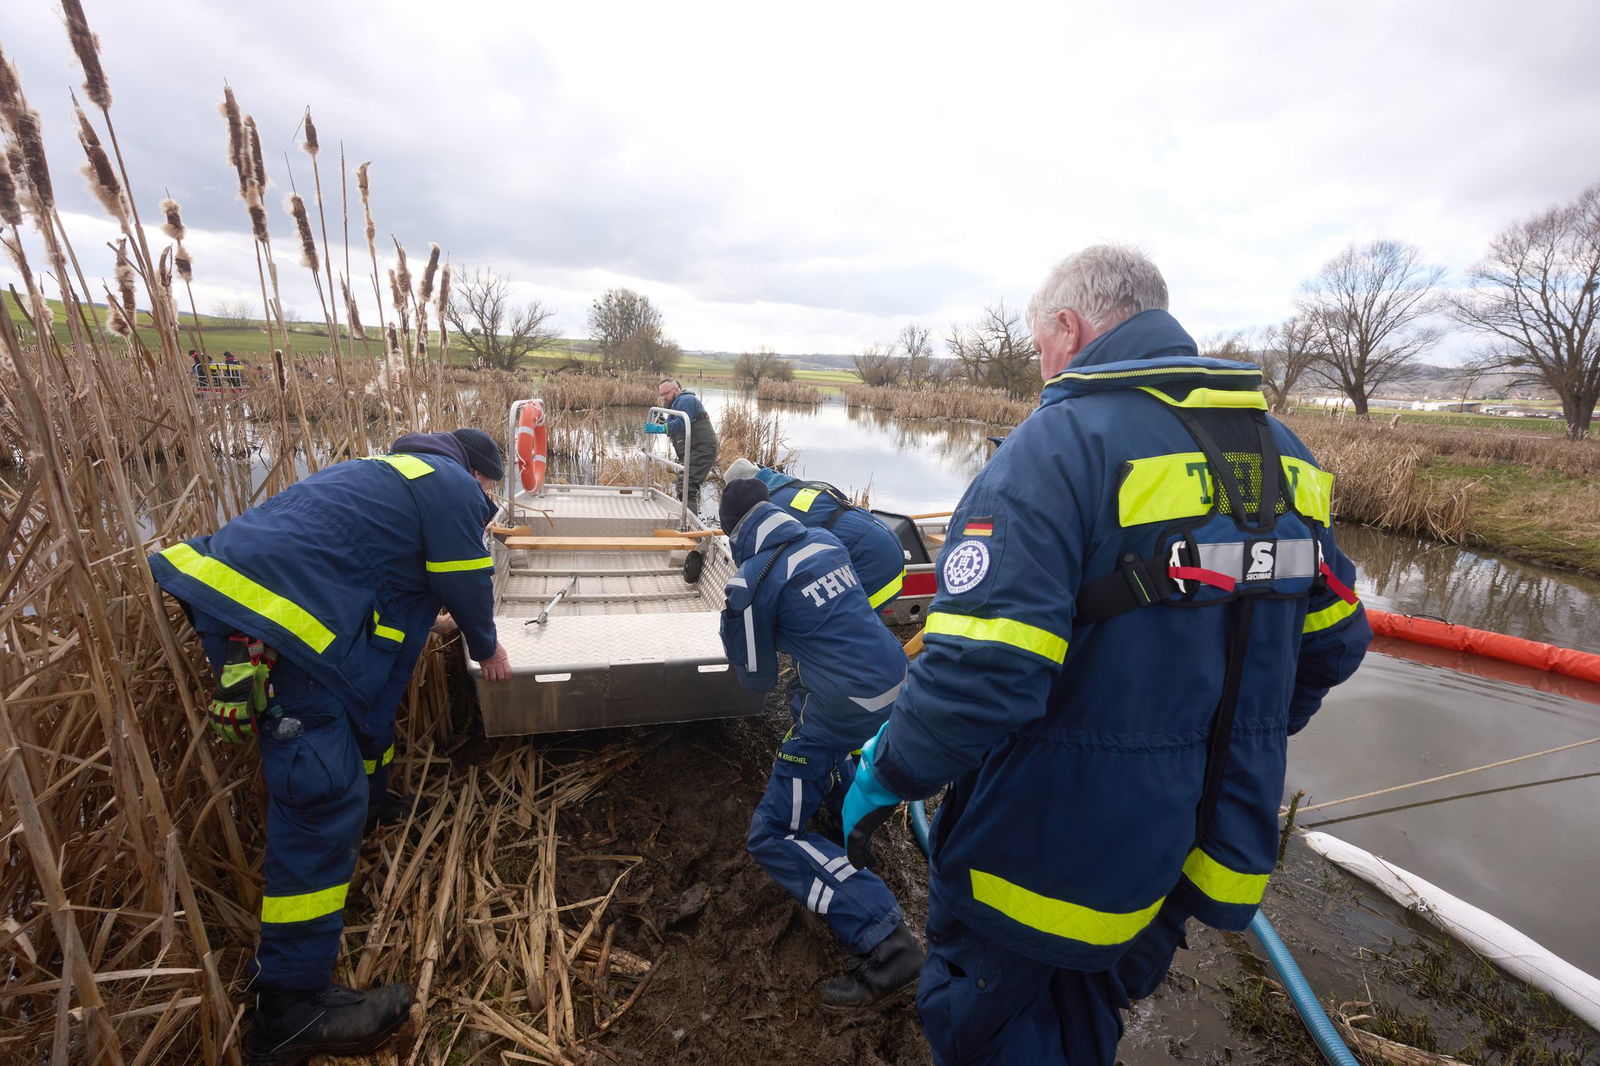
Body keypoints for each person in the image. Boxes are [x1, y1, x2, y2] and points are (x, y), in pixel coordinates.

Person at [841, 246, 1372, 1065]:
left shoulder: (1056, 449)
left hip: (1041, 858)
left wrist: (885, 774)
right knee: (1086, 1024)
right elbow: (1334, 643)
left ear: (1069, 327)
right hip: (1184, 854)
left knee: (991, 1037)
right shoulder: (1284, 457)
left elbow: (980, 677)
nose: (1040, 367)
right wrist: (1232, 735)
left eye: (1039, 347)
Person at [148, 427, 513, 1066]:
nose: (483, 505)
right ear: (479, 476)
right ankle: (289, 1010)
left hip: (251, 601)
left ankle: (370, 804)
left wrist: (377, 792)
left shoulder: (391, 479)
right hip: (277, 622)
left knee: (349, 735)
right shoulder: (452, 484)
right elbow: (467, 577)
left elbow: (379, 671)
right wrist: (487, 647)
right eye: (488, 493)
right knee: (320, 796)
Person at [718, 477, 924, 1009]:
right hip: (896, 684)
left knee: (771, 833)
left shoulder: (752, 578)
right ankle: (844, 816)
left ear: (734, 534)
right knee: (804, 696)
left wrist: (735, 618)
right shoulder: (825, 541)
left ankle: (887, 942)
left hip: (846, 706)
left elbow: (755, 678)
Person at [722, 457, 907, 612]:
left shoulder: (767, 509)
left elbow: (765, 567)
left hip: (869, 561)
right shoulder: (795, 486)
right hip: (889, 546)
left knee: (831, 626)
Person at [656, 377, 719, 514]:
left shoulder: (686, 400)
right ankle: (690, 517)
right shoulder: (676, 405)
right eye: (661, 395)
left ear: (676, 390)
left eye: (666, 393)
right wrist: (660, 422)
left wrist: (662, 428)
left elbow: (682, 423)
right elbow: (673, 428)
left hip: (702, 448)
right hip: (694, 448)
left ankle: (690, 524)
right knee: (686, 484)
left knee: (686, 484)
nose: (664, 397)